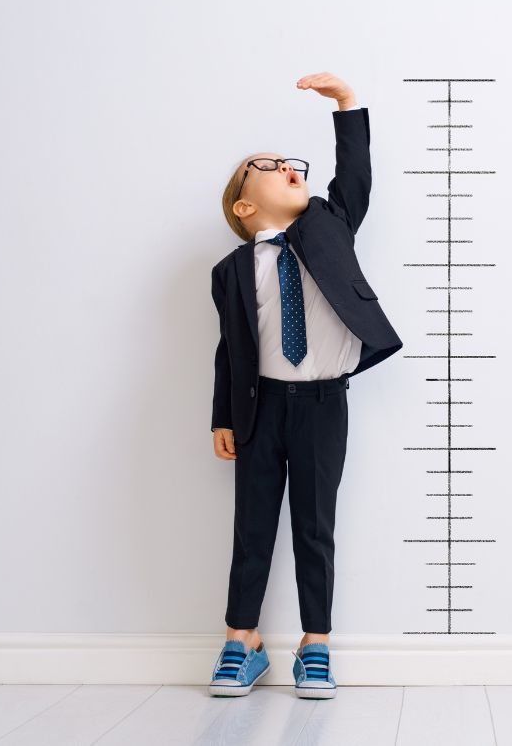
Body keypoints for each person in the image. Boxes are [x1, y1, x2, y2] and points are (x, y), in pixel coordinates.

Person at [206, 72, 403, 698]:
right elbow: (230, 350)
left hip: (323, 405)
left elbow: (355, 177)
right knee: (252, 526)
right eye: (267, 166)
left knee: (315, 526)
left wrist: (347, 106)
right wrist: (222, 417)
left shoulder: (328, 224)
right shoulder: (232, 270)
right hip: (261, 410)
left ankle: (315, 644)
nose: (288, 167)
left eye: (292, 162)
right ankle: (243, 640)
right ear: (245, 205)